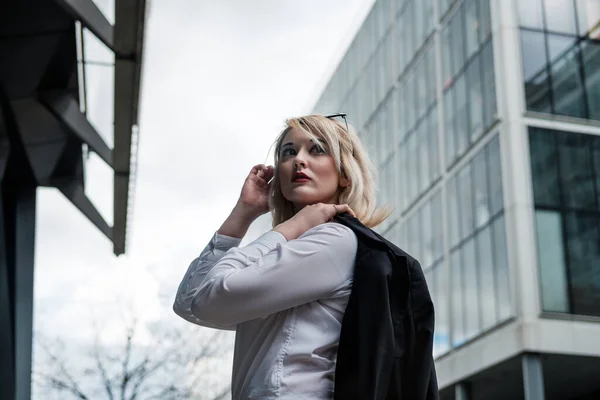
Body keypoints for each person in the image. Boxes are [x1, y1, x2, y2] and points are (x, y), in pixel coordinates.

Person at [173, 115, 437, 399]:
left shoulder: (333, 240)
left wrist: (291, 227)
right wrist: (244, 212)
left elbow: (207, 300)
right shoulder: (294, 248)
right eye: (289, 152)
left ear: (345, 172)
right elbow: (187, 302)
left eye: (317, 149)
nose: (299, 160)